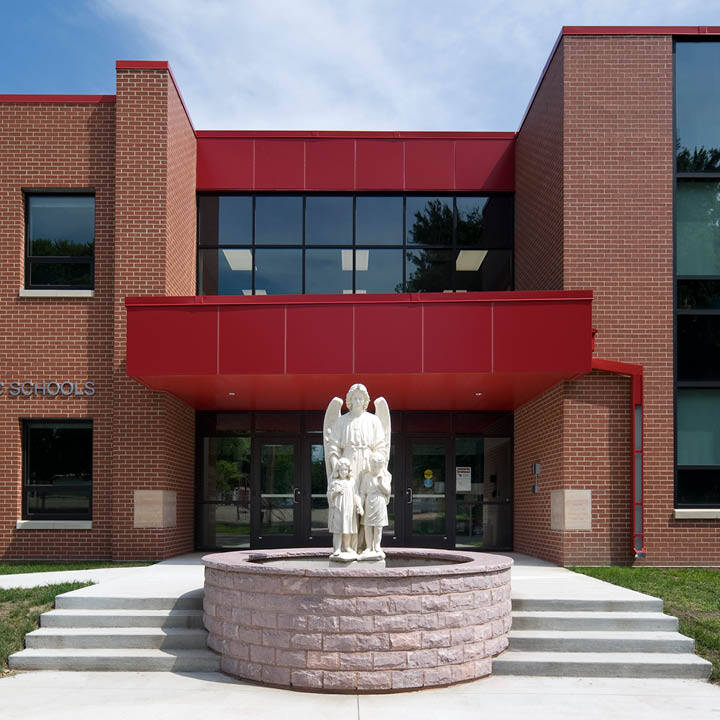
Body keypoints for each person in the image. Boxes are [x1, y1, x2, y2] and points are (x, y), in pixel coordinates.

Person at [327, 457, 363, 559]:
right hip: (338, 509)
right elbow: (329, 495)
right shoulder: (334, 481)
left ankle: (347, 546)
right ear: (338, 470)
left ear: (348, 470)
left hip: (349, 509)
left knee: (348, 528)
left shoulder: (351, 482)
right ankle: (337, 548)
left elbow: (355, 495)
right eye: (341, 470)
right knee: (337, 529)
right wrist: (335, 492)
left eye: (345, 470)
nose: (343, 472)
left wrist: (359, 506)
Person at [359, 451, 391, 558]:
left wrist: (381, 484)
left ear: (381, 466)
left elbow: (387, 491)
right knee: (368, 526)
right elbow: (363, 492)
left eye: (377, 466)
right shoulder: (367, 476)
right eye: (373, 466)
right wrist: (360, 505)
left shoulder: (384, 476)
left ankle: (377, 546)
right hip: (369, 501)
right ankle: (369, 547)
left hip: (380, 501)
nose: (375, 468)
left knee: (378, 526)